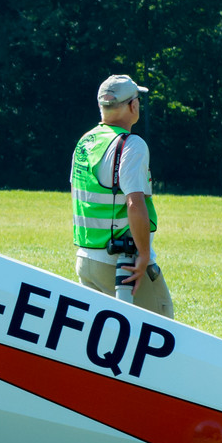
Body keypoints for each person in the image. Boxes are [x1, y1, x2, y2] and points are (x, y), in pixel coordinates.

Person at [71, 74, 174, 319]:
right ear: (132, 105)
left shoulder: (85, 142)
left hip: (86, 260)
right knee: (162, 327)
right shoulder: (132, 144)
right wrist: (144, 255)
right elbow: (134, 203)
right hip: (122, 262)